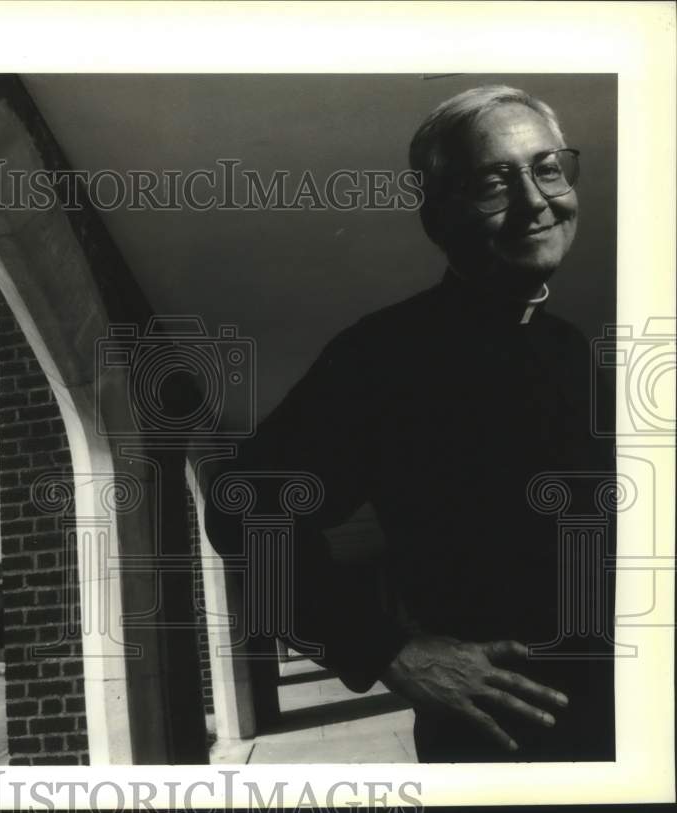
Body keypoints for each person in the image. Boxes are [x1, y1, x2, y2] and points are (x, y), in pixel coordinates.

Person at [204, 85, 615, 762]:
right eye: (493, 182)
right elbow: (239, 506)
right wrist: (384, 650)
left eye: (547, 168)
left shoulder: (570, 346)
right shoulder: (385, 354)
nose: (537, 201)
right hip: (505, 738)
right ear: (440, 217)